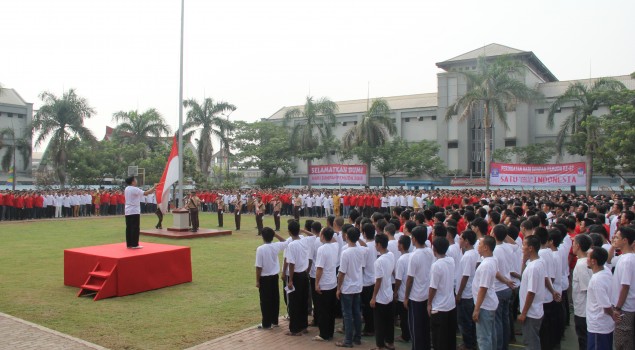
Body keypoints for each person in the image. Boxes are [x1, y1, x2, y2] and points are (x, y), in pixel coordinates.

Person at [405, 225, 434, 350]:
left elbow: (410, 279)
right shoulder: (429, 251)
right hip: (427, 295)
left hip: (416, 296)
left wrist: (406, 297)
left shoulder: (414, 255)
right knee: (425, 327)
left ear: (414, 239)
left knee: (416, 329)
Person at [336, 227, 366, 348]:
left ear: (347, 237)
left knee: (348, 314)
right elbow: (365, 246)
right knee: (356, 313)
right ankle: (357, 337)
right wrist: (357, 238)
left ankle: (348, 340)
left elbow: (342, 273)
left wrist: (338, 288)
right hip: (357, 285)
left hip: (348, 287)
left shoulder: (346, 252)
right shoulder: (361, 250)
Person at [586, 247, 619, 350]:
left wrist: (613, 314)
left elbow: (605, 305)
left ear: (593, 261)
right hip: (604, 324)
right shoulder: (606, 270)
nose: (586, 259)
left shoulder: (597, 280)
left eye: (588, 257)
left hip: (598, 326)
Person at [255, 227, 287, 329]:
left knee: (265, 301)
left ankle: (266, 323)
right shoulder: (275, 246)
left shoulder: (260, 249)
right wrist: (275, 234)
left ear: (262, 237)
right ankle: (274, 320)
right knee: (274, 298)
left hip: (264, 278)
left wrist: (257, 280)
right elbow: (285, 241)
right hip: (274, 277)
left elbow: (258, 267)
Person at [428, 236, 457, 350]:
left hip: (439, 307)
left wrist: (429, 303)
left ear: (434, 249)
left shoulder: (436, 265)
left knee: (439, 339)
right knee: (449, 337)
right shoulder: (450, 260)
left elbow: (433, 287)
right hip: (450, 304)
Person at [517, 235, 545, 350]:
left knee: (531, 342)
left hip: (531, 312)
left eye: (524, 245)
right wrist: (523, 260)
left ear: (531, 248)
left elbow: (531, 292)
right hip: (535, 310)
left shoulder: (534, 268)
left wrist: (524, 313)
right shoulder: (537, 262)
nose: (522, 247)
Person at [473, 236, 499, 350]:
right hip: (489, 304)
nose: (477, 247)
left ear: (486, 248)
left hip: (485, 306)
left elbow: (483, 288)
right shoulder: (491, 260)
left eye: (480, 244)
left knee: (484, 339)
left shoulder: (486, 265)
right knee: (490, 335)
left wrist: (477, 309)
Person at [611, 226, 635, 350]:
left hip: (625, 308)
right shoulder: (624, 258)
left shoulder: (627, 260)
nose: (614, 239)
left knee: (622, 342)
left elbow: (625, 287)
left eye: (617, 237)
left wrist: (618, 308)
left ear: (625, 240)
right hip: (625, 306)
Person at [313, 227, 339, 341]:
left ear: (323, 236)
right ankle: (330, 332)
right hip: (332, 282)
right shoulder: (335, 246)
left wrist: (316, 283)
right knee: (330, 309)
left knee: (323, 310)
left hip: (324, 283)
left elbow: (319, 268)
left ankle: (324, 334)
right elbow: (333, 239)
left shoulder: (322, 249)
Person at [371, 233, 396, 350]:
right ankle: (390, 342)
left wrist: (373, 297)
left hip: (381, 297)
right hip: (389, 294)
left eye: (376, 244)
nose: (375, 246)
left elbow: (378, 281)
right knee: (389, 321)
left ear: (379, 244)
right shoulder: (391, 255)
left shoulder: (379, 261)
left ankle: (380, 345)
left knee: (379, 323)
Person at [456, 229, 479, 350]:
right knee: (470, 321)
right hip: (471, 292)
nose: (459, 240)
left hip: (466, 293)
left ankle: (468, 344)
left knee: (464, 321)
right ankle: (471, 342)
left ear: (467, 242)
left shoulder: (468, 256)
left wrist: (459, 293)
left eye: (461, 238)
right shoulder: (474, 253)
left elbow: (465, 276)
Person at [572, 234, 593, 350]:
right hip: (583, 307)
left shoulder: (582, 265)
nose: (572, 246)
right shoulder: (583, 262)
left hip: (583, 309)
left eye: (574, 244)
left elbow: (586, 288)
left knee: (583, 338)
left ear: (578, 246)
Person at [124, 176, 156, 249]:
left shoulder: (126, 188)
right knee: (135, 227)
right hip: (134, 210)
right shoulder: (134, 189)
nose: (136, 181)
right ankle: (135, 244)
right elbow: (146, 193)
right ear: (132, 182)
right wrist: (154, 187)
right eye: (135, 180)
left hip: (128, 210)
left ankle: (129, 244)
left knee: (129, 227)